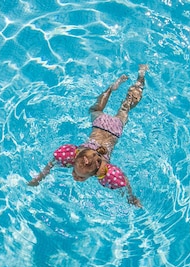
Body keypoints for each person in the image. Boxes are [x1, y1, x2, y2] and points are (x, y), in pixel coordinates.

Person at [28, 64, 148, 207]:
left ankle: (114, 88)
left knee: (107, 108)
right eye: (75, 172)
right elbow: (125, 182)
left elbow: (53, 162)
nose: (74, 176)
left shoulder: (103, 171)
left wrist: (131, 198)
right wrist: (40, 177)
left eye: (79, 176)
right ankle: (139, 78)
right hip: (101, 124)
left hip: (114, 129)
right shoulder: (82, 160)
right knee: (124, 106)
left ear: (95, 173)